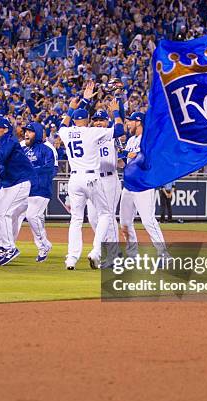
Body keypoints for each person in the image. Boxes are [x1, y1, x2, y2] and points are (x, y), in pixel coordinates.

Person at [57, 80, 123, 270]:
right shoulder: (92, 132)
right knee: (104, 214)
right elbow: (119, 130)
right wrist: (117, 112)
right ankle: (95, 251)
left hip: (74, 179)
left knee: (76, 220)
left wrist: (74, 107)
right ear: (87, 120)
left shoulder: (66, 132)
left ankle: (71, 258)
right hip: (92, 178)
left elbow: (64, 122)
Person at [0, 116, 35, 266]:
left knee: (4, 213)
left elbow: (1, 156)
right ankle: (1, 248)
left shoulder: (10, 140)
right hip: (9, 183)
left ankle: (10, 247)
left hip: (20, 182)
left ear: (5, 129)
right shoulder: (0, 142)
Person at [119, 111, 169, 258]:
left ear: (138, 122)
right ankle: (132, 254)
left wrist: (131, 155)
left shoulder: (148, 139)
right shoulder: (130, 141)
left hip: (144, 184)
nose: (128, 124)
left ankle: (163, 253)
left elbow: (148, 160)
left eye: (130, 121)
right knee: (125, 223)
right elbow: (125, 163)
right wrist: (117, 157)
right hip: (129, 184)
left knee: (148, 220)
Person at [18, 121, 57, 262]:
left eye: (30, 131)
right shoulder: (24, 149)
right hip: (26, 189)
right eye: (26, 131)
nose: (26, 133)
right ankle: (41, 247)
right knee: (35, 218)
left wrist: (32, 171)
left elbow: (50, 168)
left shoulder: (47, 149)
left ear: (38, 133)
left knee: (32, 215)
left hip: (41, 189)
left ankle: (45, 244)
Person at [86, 108, 122, 244]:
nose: (98, 123)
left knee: (109, 216)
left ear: (107, 121)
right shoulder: (89, 136)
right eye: (96, 120)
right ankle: (105, 245)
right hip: (94, 179)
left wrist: (117, 112)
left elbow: (123, 155)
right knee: (93, 217)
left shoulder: (113, 136)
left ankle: (113, 253)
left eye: (101, 120)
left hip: (109, 179)